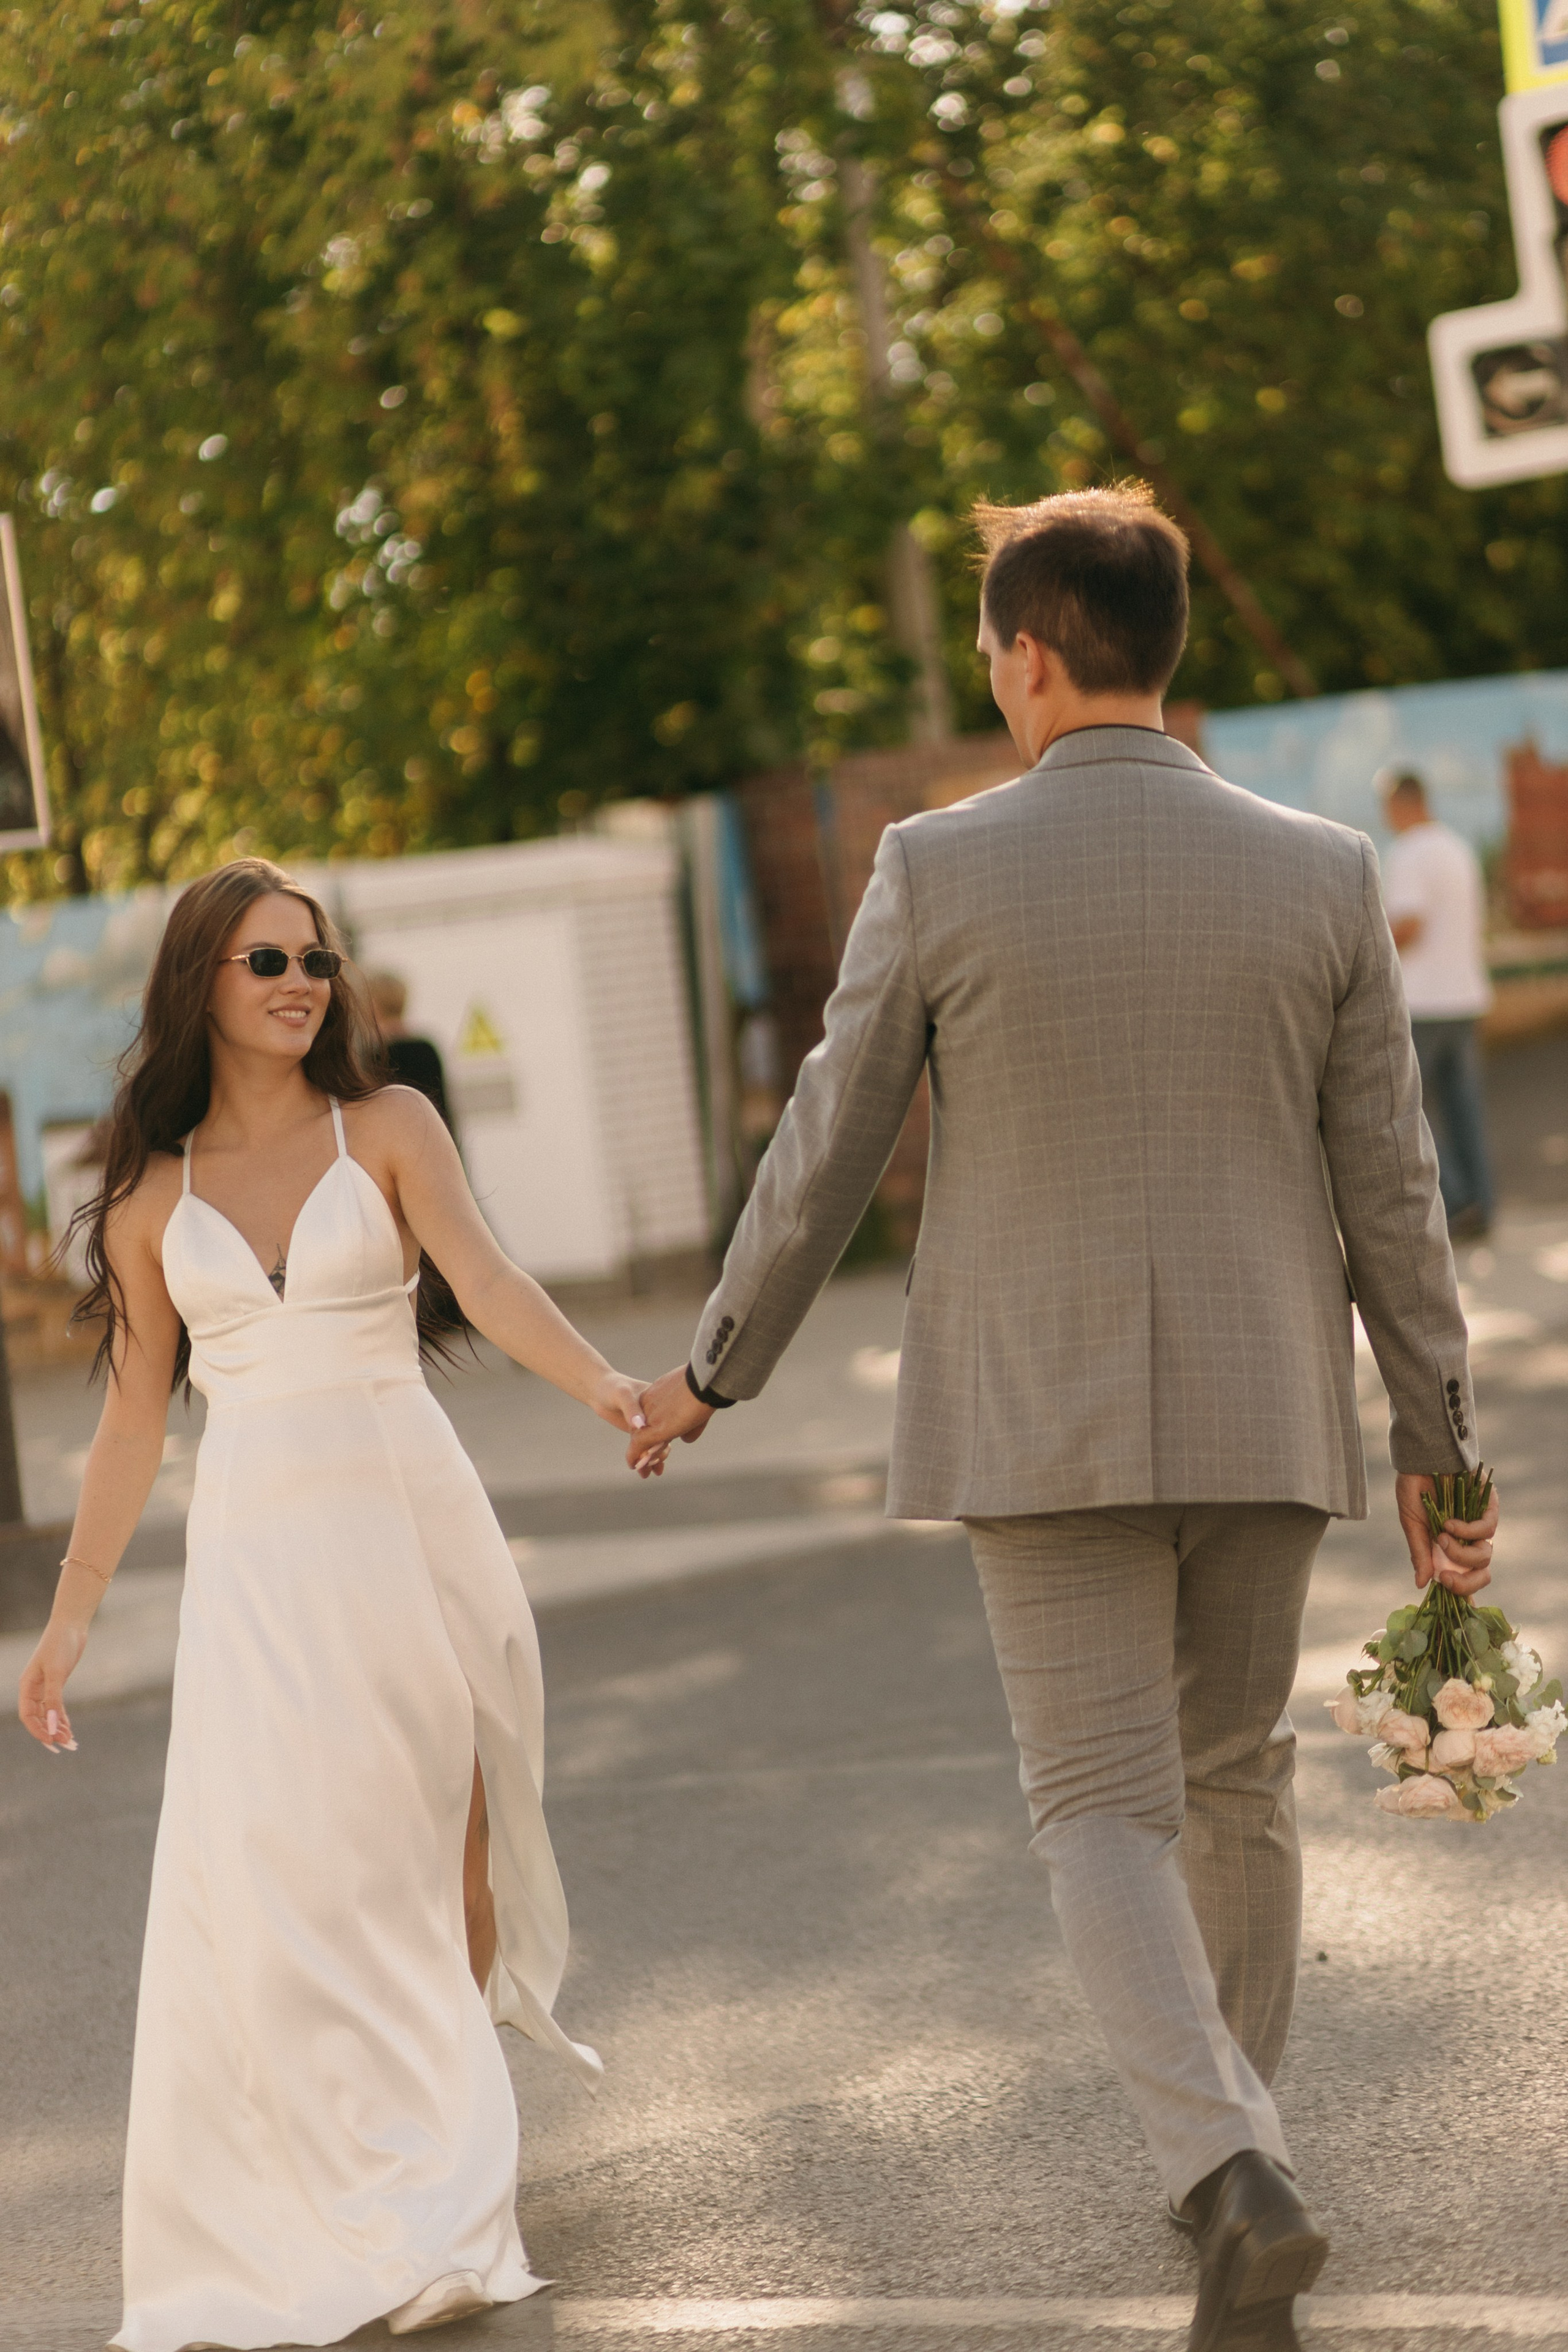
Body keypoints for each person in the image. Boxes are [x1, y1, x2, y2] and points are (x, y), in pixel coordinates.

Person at [627, 486, 1499, 2352]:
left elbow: (830, 1143)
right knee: (1234, 1771)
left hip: (1038, 1416)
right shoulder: (1325, 869)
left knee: (1097, 1802)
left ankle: (1229, 2168)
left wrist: (712, 1366)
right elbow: (1393, 1180)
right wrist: (1442, 1432)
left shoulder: (935, 865)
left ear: (1028, 657)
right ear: (1163, 646)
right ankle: (1235, 2155)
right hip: (1267, 1404)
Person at [17, 860, 650, 2352]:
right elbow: (130, 1420)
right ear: (202, 982)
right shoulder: (153, 1197)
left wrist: (609, 1386)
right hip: (257, 1561)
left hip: (408, 1524)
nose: (301, 981)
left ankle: (443, 2133)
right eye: (267, 960)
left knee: (439, 1845)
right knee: (288, 1864)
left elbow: (485, 1279)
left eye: (314, 959)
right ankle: (336, 2163)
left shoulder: (392, 1126)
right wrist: (68, 1618)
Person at [1379, 768, 1496, 1240]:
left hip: (1424, 1001)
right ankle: (1483, 1204)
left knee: (1406, 1108)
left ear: (1401, 803)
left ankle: (1459, 1197)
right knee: (1465, 1109)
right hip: (1465, 996)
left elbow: (1410, 924)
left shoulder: (1409, 851)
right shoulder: (1458, 848)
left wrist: (1365, 944)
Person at [368, 967, 454, 1134]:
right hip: (438, 1138)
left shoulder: (376, 1056)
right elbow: (444, 1109)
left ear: (373, 1004)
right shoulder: (427, 1048)